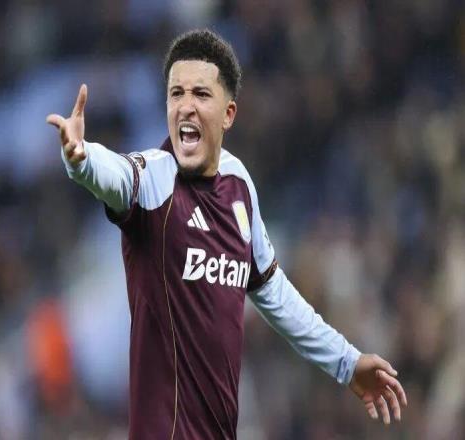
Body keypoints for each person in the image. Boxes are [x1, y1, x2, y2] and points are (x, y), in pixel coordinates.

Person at [47, 29, 407, 439]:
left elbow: (275, 294)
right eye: (176, 94)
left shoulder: (239, 185)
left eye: (201, 94)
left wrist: (347, 363)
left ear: (228, 113)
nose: (185, 106)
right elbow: (114, 174)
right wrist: (81, 159)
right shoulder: (152, 181)